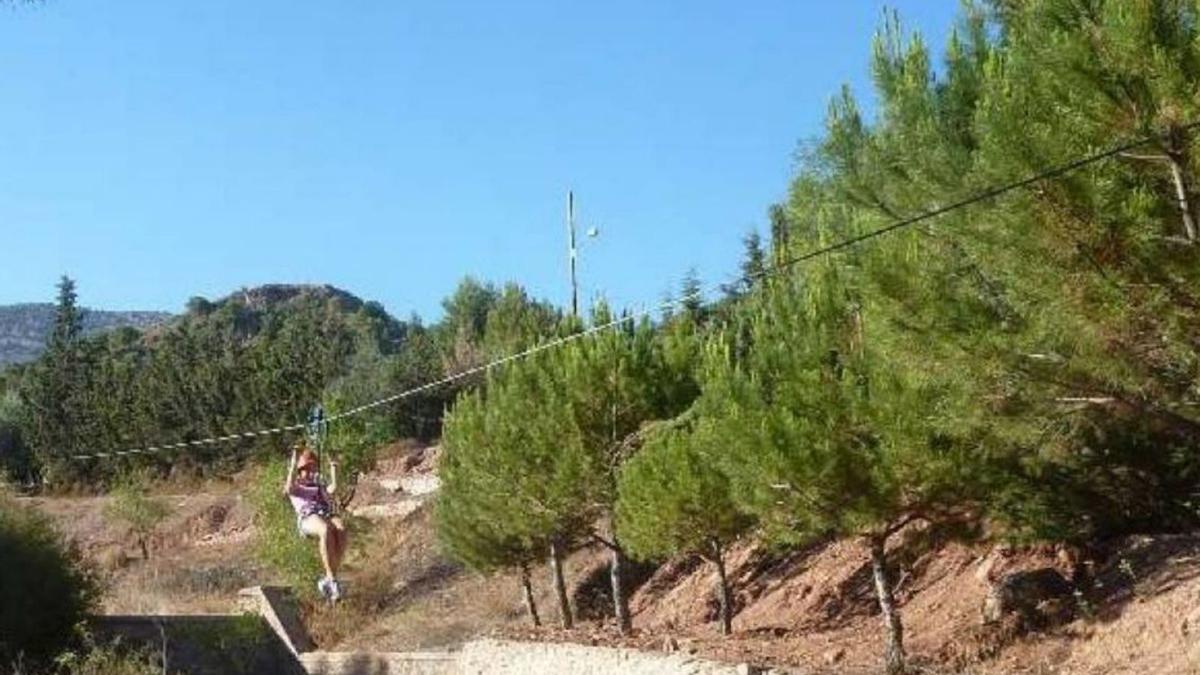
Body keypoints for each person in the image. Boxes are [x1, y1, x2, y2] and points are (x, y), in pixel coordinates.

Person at [284, 444, 348, 600]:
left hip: (324, 514)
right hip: (307, 518)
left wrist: (333, 466)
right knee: (325, 529)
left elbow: (334, 488)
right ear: (300, 470)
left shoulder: (318, 485)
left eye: (312, 468)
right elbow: (288, 489)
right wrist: (294, 460)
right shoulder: (297, 486)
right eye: (307, 468)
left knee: (341, 529)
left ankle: (329, 577)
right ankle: (331, 580)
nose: (311, 472)